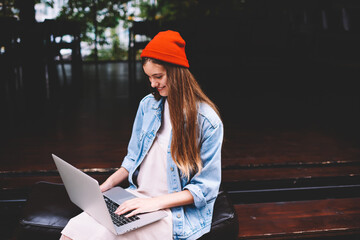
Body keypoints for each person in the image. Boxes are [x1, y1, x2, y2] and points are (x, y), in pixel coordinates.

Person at [60, 30, 223, 240]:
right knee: (73, 230)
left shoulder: (207, 121)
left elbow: (205, 189)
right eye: (149, 77)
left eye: (158, 76)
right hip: (136, 197)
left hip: (171, 212)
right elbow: (132, 159)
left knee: (103, 236)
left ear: (177, 72)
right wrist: (105, 187)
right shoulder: (148, 105)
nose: (153, 84)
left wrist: (153, 203)